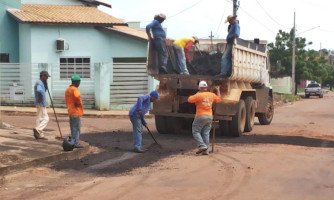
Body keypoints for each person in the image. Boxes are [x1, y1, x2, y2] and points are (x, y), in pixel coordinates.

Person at [188, 81, 221, 155]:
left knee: (195, 131)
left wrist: (197, 93)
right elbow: (219, 99)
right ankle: (206, 150)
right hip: (209, 116)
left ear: (199, 87)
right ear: (206, 88)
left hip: (200, 115)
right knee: (206, 133)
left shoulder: (198, 95)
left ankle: (202, 146)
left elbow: (189, 100)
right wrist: (218, 90)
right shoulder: (211, 95)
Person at [65, 74, 84, 148]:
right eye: (79, 82)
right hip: (76, 111)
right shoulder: (75, 89)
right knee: (77, 128)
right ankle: (76, 143)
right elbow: (77, 97)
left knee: (73, 128)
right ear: (77, 82)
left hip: (70, 111)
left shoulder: (68, 89)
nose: (79, 83)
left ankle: (73, 142)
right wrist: (78, 103)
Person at [33, 70, 51, 140]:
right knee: (46, 118)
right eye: (46, 76)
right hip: (41, 103)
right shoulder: (39, 83)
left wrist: (45, 85)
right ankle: (38, 129)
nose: (47, 78)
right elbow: (39, 90)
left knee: (39, 118)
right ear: (43, 76)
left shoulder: (41, 82)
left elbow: (42, 90)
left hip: (39, 103)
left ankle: (39, 135)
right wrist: (40, 98)